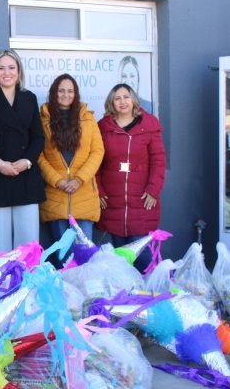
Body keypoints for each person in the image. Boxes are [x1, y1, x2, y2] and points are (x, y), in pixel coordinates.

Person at [0, 49, 45, 252]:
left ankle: (27, 283)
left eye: (11, 67)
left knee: (28, 246)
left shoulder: (29, 98)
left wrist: (27, 161)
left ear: (19, 70)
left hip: (26, 178)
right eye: (1, 68)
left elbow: (38, 137)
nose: (6, 72)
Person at [96, 83, 166, 273]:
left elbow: (158, 160)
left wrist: (153, 189)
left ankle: (146, 294)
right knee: (120, 257)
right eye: (117, 98)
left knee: (141, 256)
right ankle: (126, 296)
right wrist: (99, 191)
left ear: (133, 99)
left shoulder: (149, 125)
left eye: (126, 97)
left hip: (142, 199)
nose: (122, 102)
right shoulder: (103, 128)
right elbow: (96, 162)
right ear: (111, 102)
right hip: (113, 200)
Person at [38, 74, 104, 268]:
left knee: (85, 257)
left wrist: (79, 179)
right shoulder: (43, 121)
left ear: (76, 94)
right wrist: (58, 180)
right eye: (61, 90)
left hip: (83, 196)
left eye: (70, 91)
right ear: (53, 93)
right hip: (56, 197)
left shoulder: (88, 119)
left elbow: (97, 151)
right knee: (64, 259)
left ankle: (86, 296)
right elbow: (39, 156)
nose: (65, 95)